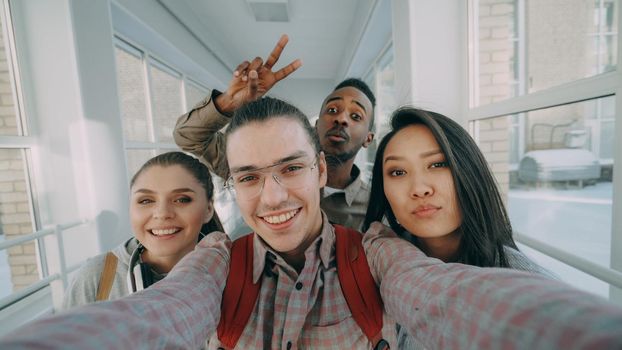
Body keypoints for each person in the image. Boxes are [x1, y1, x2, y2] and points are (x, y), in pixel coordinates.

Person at [3, 97, 622, 350]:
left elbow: (442, 294)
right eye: (248, 176)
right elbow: (161, 312)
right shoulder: (219, 261)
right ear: (232, 188)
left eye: (291, 168)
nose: (272, 196)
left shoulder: (377, 251)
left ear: (322, 170)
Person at [363, 107, 556, 348]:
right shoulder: (375, 259)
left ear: (469, 171)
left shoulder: (528, 288)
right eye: (398, 172)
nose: (419, 188)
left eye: (437, 164)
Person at [174, 34, 375, 230]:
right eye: (332, 110)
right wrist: (230, 102)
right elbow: (189, 136)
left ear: (369, 137)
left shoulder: (375, 207)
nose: (341, 119)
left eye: (356, 116)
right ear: (316, 124)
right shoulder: (256, 160)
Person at [63, 151, 224, 308]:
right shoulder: (95, 276)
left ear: (208, 209)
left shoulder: (231, 273)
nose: (162, 213)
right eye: (146, 200)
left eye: (181, 199)